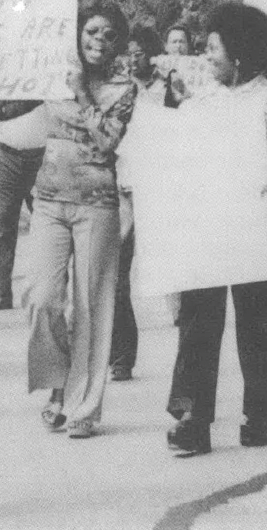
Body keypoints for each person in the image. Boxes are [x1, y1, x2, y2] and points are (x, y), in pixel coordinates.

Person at [165, 3, 267, 456]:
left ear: (240, 53)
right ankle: (193, 419)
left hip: (254, 214)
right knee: (197, 315)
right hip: (207, 214)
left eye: (214, 47)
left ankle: (257, 415)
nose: (207, 55)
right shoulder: (202, 96)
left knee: (255, 316)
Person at [26, 0, 135, 439]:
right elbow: (5, 109)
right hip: (49, 198)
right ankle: (57, 386)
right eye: (92, 32)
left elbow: (108, 141)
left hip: (97, 204)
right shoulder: (50, 72)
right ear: (78, 33)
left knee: (91, 306)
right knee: (43, 299)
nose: (99, 42)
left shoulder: (124, 87)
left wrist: (84, 94)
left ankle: (84, 406)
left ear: (118, 45)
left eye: (109, 36)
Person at [109, 25, 165, 382]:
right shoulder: (117, 91)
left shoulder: (168, 89)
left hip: (159, 188)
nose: (131, 60)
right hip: (123, 186)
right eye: (127, 53)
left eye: (138, 53)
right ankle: (121, 356)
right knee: (116, 275)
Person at [0, 100, 47, 312]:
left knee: (48, 224)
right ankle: (0, 291)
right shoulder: (3, 78)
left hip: (44, 156)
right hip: (8, 155)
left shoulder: (45, 73)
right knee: (4, 224)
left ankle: (48, 290)